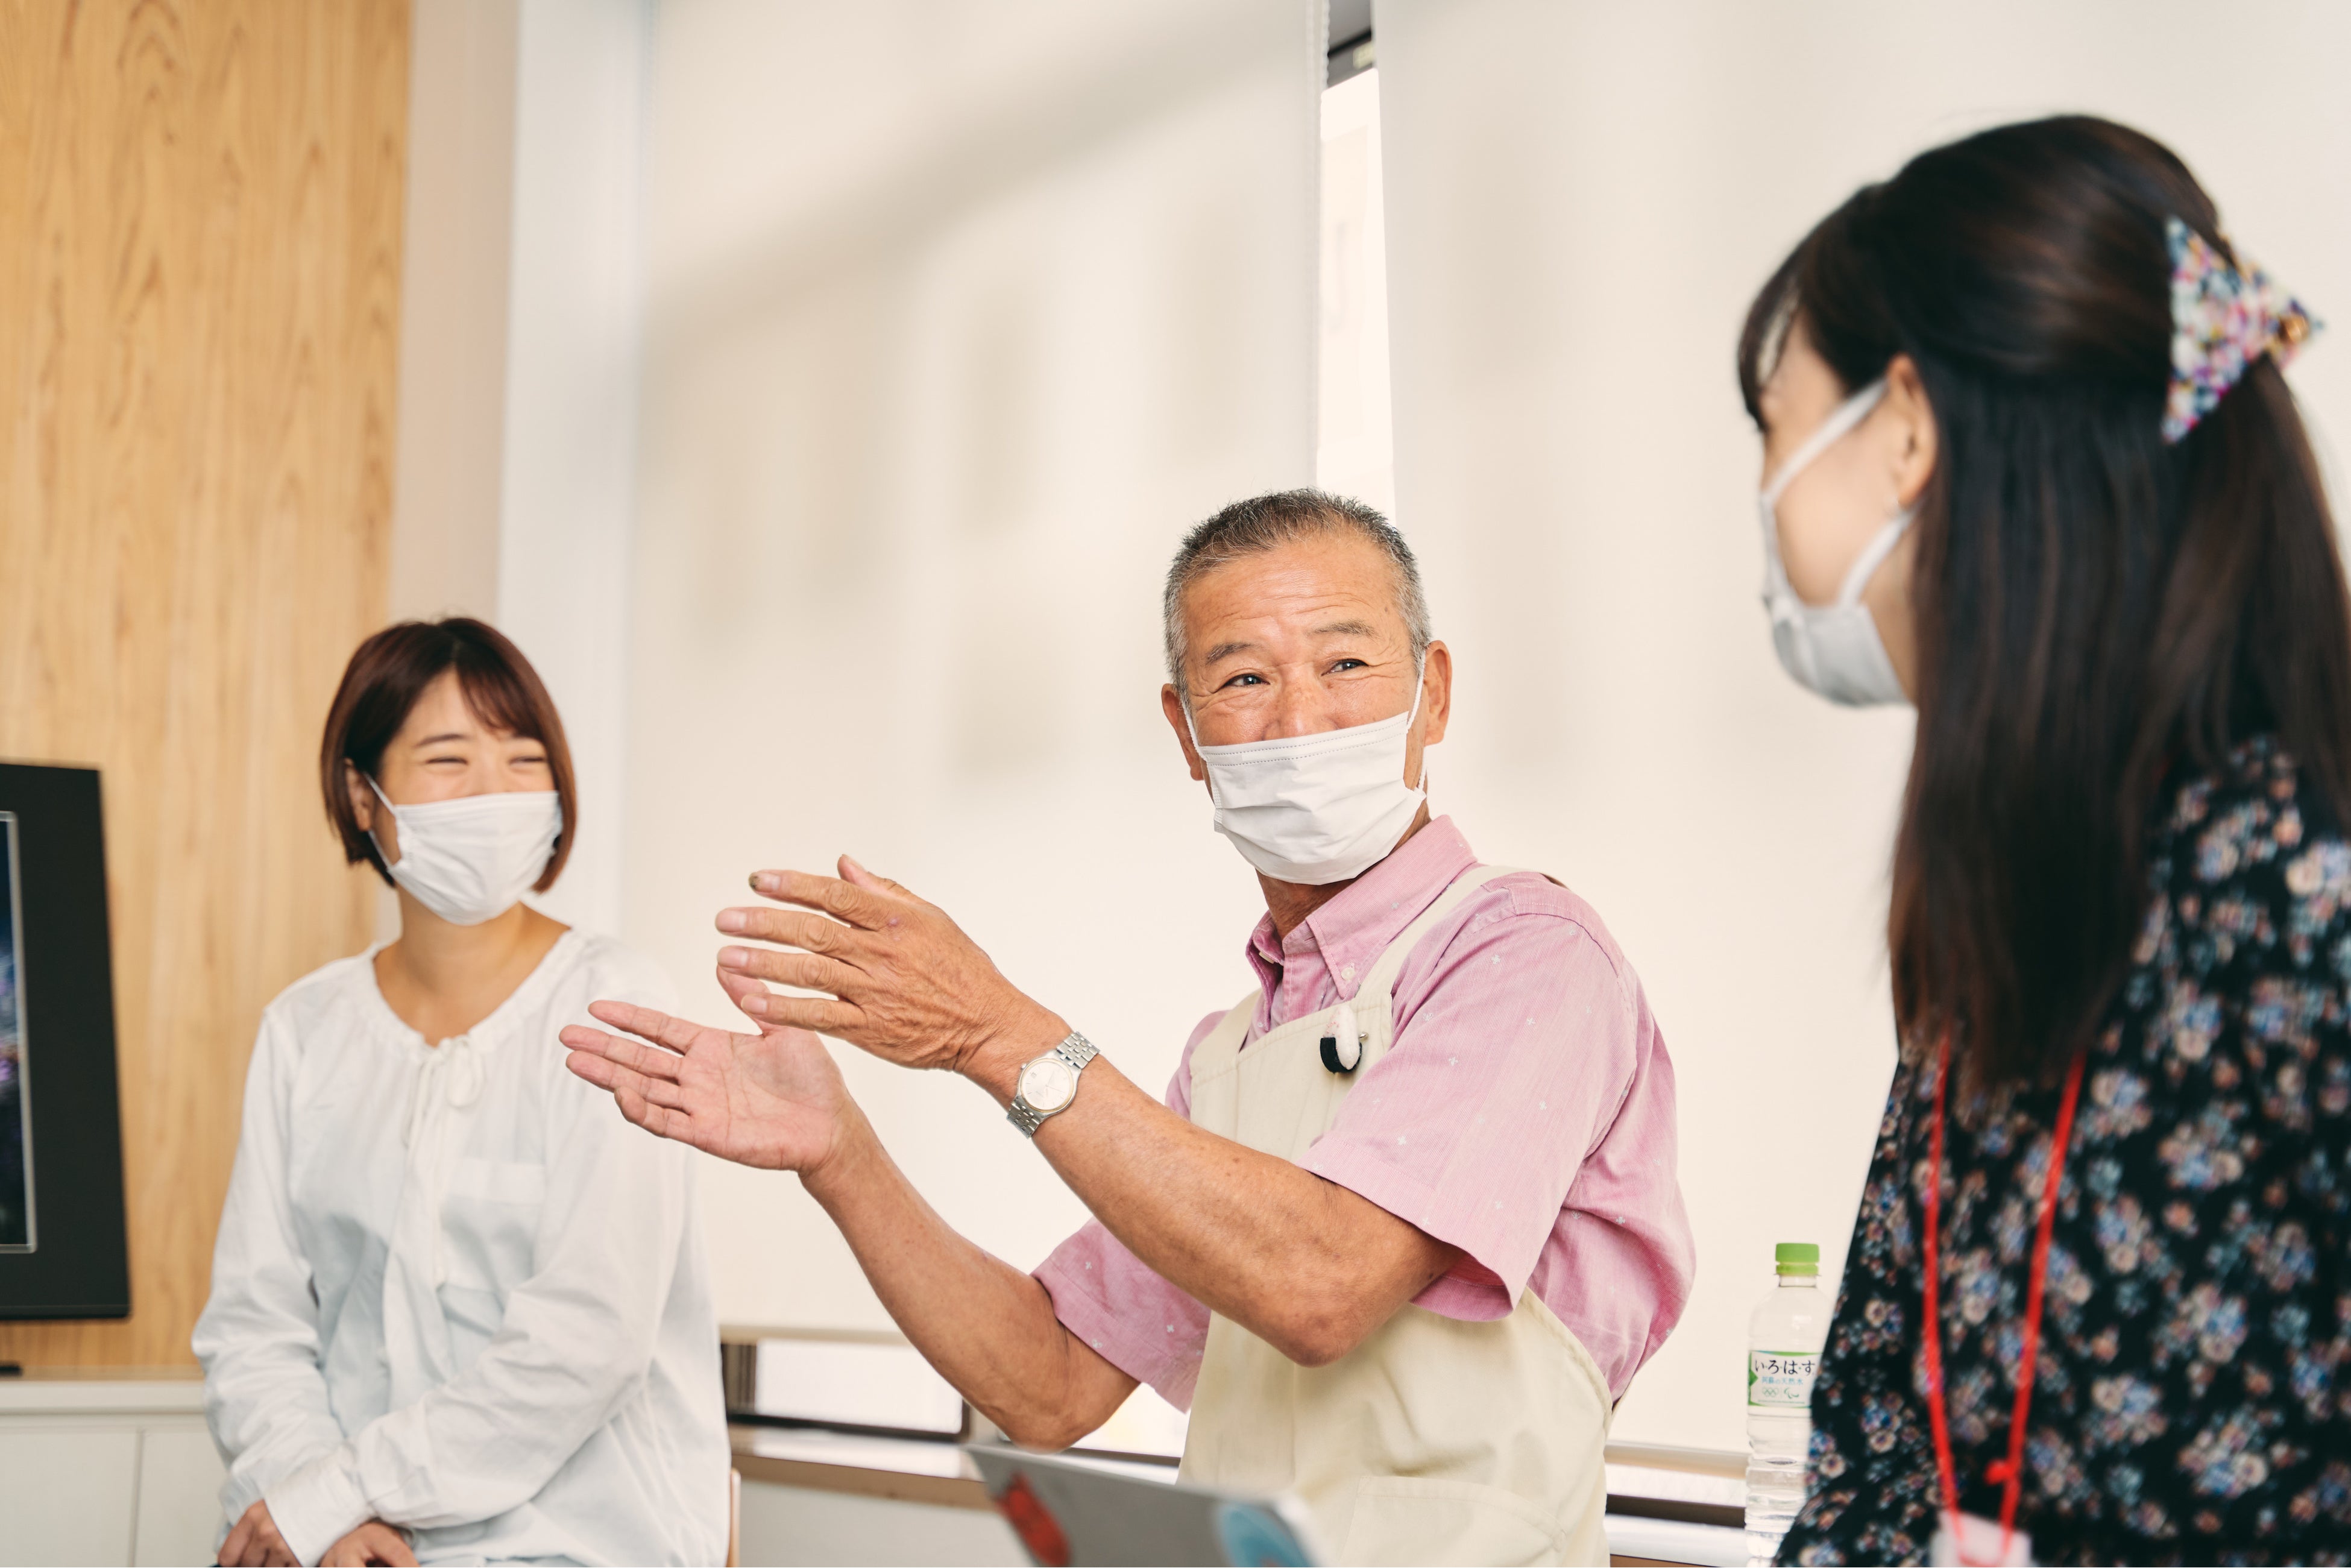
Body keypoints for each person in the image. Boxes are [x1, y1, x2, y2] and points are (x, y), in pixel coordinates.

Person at [562, 492, 1694, 1566]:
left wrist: (997, 1031)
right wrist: (842, 1154)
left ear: (1432, 694)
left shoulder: (1529, 953)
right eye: (1243, 678)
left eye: (1346, 663)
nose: (1300, 720)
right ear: (1187, 732)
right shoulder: (1230, 1053)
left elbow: (1324, 1283)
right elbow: (1047, 1381)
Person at [1741, 117, 2350, 1565]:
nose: (1764, 498)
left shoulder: (2297, 887)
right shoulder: (2011, 905)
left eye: (1774, 430)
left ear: (1903, 429)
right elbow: (1880, 1451)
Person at [194, 619, 728, 1568]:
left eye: (525, 759)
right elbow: (255, 1323)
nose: (494, 791)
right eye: (449, 758)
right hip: (357, 1546)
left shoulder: (617, 1004)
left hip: (585, 1545)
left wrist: (335, 1491)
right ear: (363, 794)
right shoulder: (305, 1028)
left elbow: (587, 1340)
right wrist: (329, 1514)